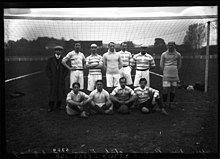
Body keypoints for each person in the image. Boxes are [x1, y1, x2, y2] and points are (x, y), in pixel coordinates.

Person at [45, 45, 69, 112]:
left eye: (60, 50)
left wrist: (63, 77)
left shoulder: (64, 60)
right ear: (55, 51)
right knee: (52, 92)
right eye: (57, 50)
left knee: (60, 92)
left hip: (60, 79)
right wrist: (50, 76)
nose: (58, 51)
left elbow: (66, 69)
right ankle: (51, 106)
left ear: (61, 52)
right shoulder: (50, 59)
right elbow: (47, 69)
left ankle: (59, 106)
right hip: (53, 79)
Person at [160, 41, 182, 109]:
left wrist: (174, 69)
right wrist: (165, 71)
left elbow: (179, 64)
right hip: (166, 73)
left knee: (173, 89)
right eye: (169, 45)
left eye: (171, 45)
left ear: (174, 46)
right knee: (165, 89)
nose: (170, 46)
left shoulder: (178, 54)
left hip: (174, 73)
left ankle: (171, 103)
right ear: (167, 46)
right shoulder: (164, 54)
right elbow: (161, 65)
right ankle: (164, 103)